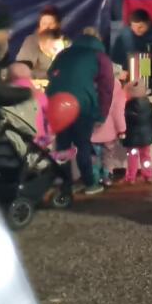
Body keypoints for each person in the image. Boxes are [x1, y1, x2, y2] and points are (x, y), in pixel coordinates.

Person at [46, 30, 113, 195]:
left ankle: (65, 184)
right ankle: (89, 183)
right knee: (83, 145)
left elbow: (50, 73)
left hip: (57, 103)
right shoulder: (100, 57)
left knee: (62, 145)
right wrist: (101, 114)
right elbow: (106, 88)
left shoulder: (64, 53)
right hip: (82, 104)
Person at [88, 66, 127, 188]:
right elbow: (118, 112)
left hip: (91, 131)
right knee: (108, 156)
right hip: (109, 133)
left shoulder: (90, 84)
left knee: (94, 156)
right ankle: (106, 177)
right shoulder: (116, 87)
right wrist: (122, 129)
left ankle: (94, 178)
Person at [122, 78, 152, 184]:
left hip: (131, 138)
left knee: (132, 157)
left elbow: (124, 122)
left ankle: (131, 177)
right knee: (146, 156)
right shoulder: (150, 106)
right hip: (146, 137)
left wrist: (122, 135)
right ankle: (148, 175)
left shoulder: (126, 106)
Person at [15, 5, 64, 79]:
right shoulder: (32, 41)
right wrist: (49, 75)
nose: (47, 27)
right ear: (39, 25)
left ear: (58, 25)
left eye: (51, 24)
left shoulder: (66, 42)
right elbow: (22, 69)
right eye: (44, 23)